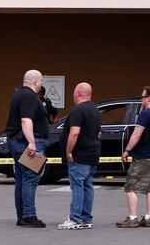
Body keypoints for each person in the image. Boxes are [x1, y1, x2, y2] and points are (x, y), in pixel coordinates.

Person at [6, 69, 49, 228]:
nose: (41, 85)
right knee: (30, 178)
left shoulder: (18, 95)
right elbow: (26, 120)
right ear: (36, 82)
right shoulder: (29, 96)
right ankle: (29, 215)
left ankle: (22, 216)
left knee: (23, 180)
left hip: (18, 142)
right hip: (27, 142)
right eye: (41, 82)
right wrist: (32, 142)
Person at [116, 86, 150, 228]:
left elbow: (137, 134)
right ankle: (148, 217)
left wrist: (127, 150)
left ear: (149, 98)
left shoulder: (146, 114)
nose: (141, 99)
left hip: (142, 156)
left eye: (143, 97)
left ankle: (132, 218)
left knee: (131, 186)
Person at [58, 82, 101, 230]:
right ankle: (86, 218)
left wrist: (68, 151)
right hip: (93, 153)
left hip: (80, 154)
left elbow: (74, 132)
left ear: (78, 93)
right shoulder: (95, 110)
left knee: (77, 186)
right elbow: (98, 133)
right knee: (87, 185)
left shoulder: (78, 110)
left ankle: (75, 218)